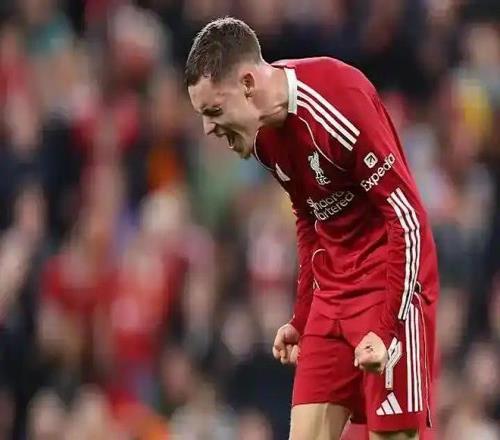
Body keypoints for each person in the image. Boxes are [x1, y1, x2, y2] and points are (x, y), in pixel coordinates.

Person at [185, 17, 439, 440]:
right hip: (333, 292)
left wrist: (387, 327)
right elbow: (309, 216)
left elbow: (407, 217)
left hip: (391, 284)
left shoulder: (340, 100)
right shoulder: (263, 136)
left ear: (247, 84)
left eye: (213, 111)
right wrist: (302, 315)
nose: (208, 128)